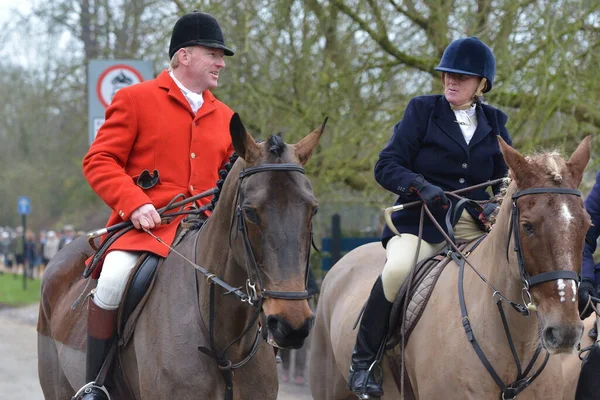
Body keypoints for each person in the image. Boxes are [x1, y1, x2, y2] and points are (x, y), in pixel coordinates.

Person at [73, 11, 235, 400]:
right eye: (213, 53)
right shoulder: (135, 99)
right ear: (183, 55)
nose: (221, 63)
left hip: (205, 232)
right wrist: (135, 203)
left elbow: (231, 184)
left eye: (221, 55)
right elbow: (98, 161)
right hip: (146, 230)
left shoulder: (227, 117)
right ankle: (96, 384)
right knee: (111, 280)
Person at [347, 37, 513, 398]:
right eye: (446, 75)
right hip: (421, 220)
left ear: (482, 83)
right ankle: (365, 363)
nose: (451, 81)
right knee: (396, 271)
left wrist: (493, 206)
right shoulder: (422, 110)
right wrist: (420, 186)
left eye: (461, 77)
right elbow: (386, 166)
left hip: (472, 224)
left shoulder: (496, 121)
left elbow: (506, 180)